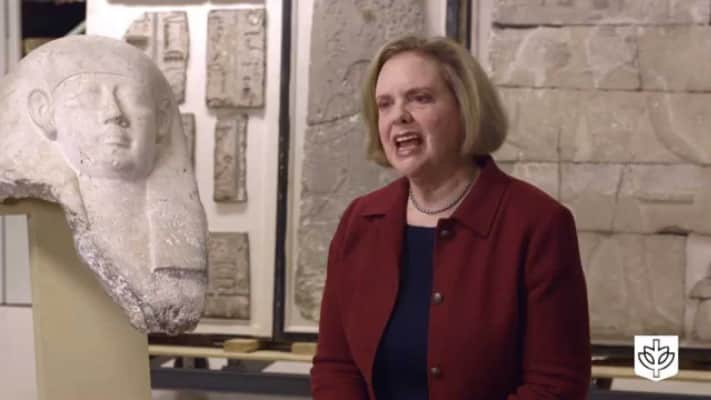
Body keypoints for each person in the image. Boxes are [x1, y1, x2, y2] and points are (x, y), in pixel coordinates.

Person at [311, 35, 591, 399]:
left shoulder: (538, 224)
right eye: (385, 104)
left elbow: (555, 385)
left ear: (465, 108)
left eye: (420, 98)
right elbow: (335, 367)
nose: (399, 116)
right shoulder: (360, 222)